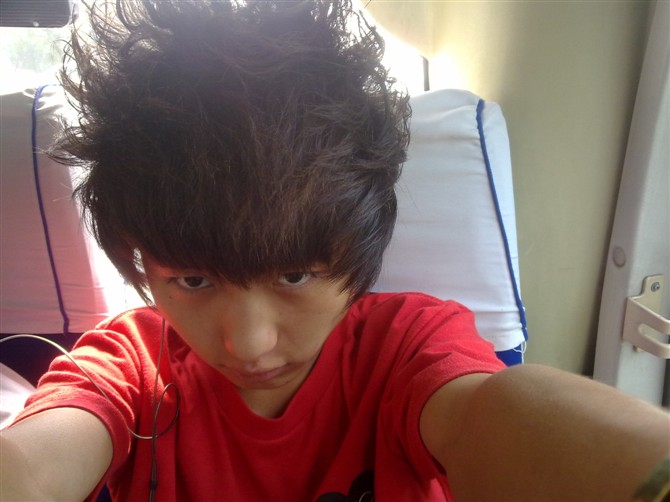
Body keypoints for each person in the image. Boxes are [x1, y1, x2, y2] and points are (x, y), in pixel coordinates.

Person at [1, 1, 668, 501]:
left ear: (360, 247)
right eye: (193, 281)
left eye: (295, 275)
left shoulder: (409, 345)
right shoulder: (130, 366)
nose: (249, 344)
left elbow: (492, 418)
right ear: (138, 259)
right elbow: (33, 464)